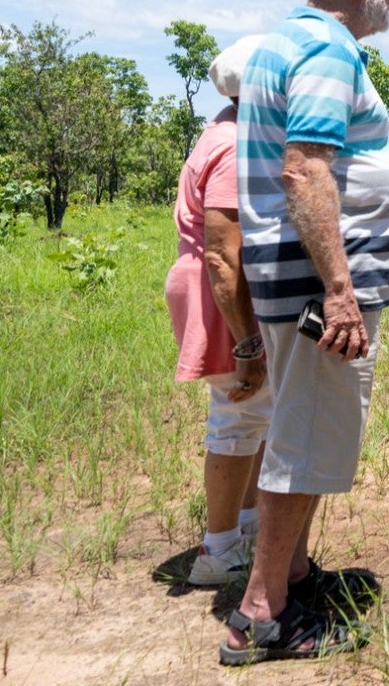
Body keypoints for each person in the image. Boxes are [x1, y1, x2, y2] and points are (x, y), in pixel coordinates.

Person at [221, 0, 389, 665]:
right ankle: (262, 616)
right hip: (316, 284)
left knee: (298, 431)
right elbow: (305, 171)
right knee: (304, 442)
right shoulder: (330, 51)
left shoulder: (278, 45)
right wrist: (339, 291)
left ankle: (294, 575)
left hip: (292, 276)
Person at [164, 36, 271, 588]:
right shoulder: (233, 144)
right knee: (238, 412)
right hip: (219, 293)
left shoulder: (222, 130)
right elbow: (222, 254)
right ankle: (220, 546)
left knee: (254, 416)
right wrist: (248, 341)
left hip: (214, 288)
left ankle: (245, 530)